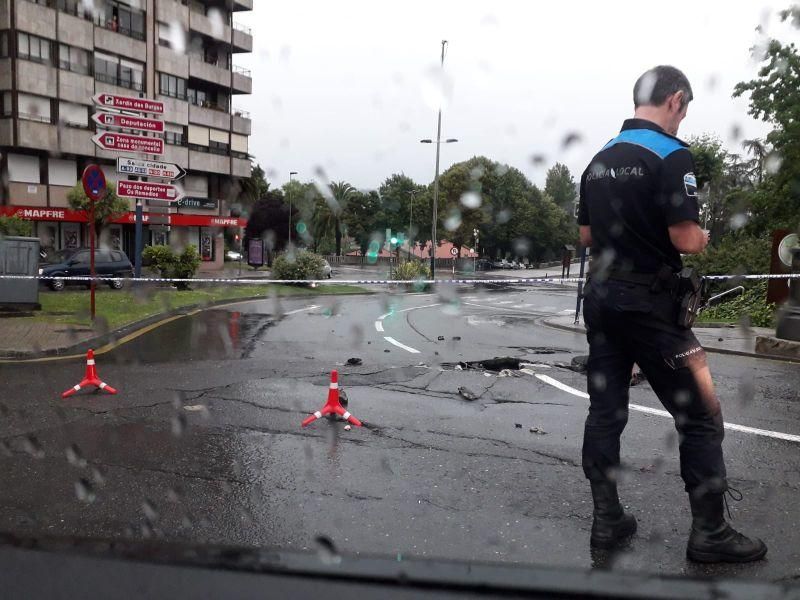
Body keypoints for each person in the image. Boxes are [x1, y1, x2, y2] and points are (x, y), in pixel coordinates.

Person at [577, 65, 767, 563]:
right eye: (684, 110)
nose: (681, 120)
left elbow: (586, 237)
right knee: (701, 414)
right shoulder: (670, 154)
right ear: (676, 101)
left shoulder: (597, 161)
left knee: (605, 409)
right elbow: (686, 238)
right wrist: (702, 237)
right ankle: (710, 533)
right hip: (649, 304)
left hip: (601, 299)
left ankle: (607, 521)